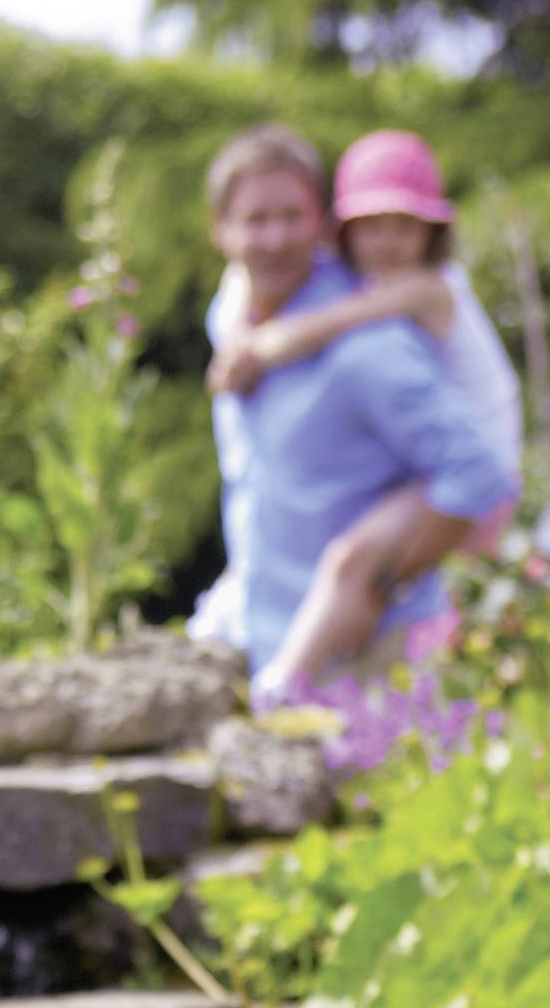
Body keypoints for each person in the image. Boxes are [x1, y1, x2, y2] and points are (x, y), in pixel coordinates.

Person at [195, 126, 518, 704]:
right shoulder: (233, 312)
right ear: (220, 231)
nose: (273, 237)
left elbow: (480, 469)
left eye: (291, 217)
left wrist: (388, 583)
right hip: (267, 628)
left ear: (321, 225)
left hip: (365, 662)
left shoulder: (373, 342)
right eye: (254, 220)